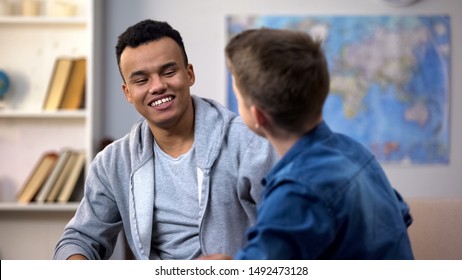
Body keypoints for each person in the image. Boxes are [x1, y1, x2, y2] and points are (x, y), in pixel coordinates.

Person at [53, 20, 278, 260]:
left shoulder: (249, 143)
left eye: (168, 72)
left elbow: (291, 232)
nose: (158, 86)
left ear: (189, 74)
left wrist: (239, 267)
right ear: (127, 92)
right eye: (141, 80)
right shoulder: (113, 162)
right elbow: (80, 238)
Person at [198, 28, 414, 260]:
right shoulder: (355, 151)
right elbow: (400, 217)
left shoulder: (298, 191)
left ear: (259, 116)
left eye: (238, 98)